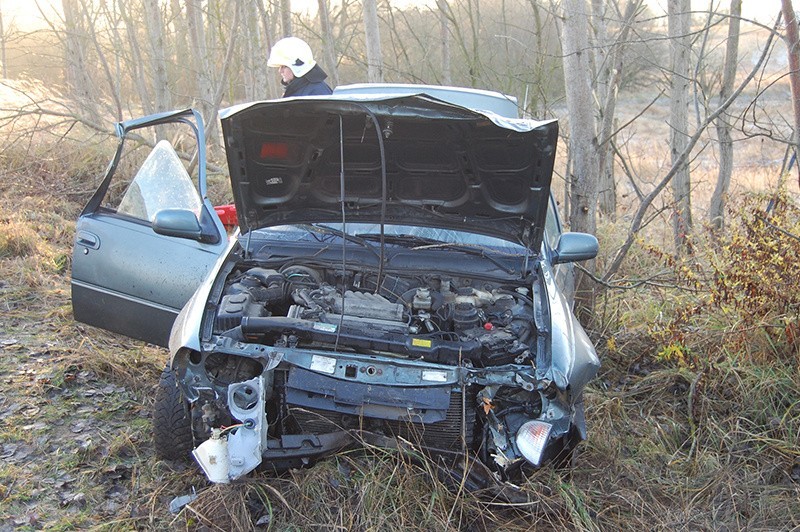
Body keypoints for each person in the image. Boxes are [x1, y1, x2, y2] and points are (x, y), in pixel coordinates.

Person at [267, 37, 333, 98]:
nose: (280, 71)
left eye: (284, 66)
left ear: (297, 67)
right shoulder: (296, 90)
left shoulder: (317, 92)